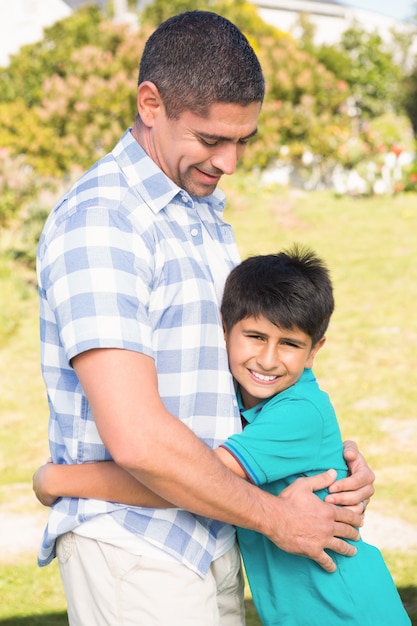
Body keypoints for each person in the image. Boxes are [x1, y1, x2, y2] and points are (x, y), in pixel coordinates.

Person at [35, 10, 374, 626]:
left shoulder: (196, 208)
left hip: (215, 532)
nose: (229, 162)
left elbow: (226, 387)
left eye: (242, 140)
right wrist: (279, 517)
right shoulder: (104, 220)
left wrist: (328, 468)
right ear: (150, 103)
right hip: (137, 544)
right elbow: (137, 439)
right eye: (211, 139)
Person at [34, 246, 409, 625]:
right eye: (255, 336)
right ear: (225, 330)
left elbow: (192, 478)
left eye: (290, 344)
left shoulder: (299, 412)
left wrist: (59, 479)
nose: (267, 359)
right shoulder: (242, 398)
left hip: (349, 611)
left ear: (314, 351)